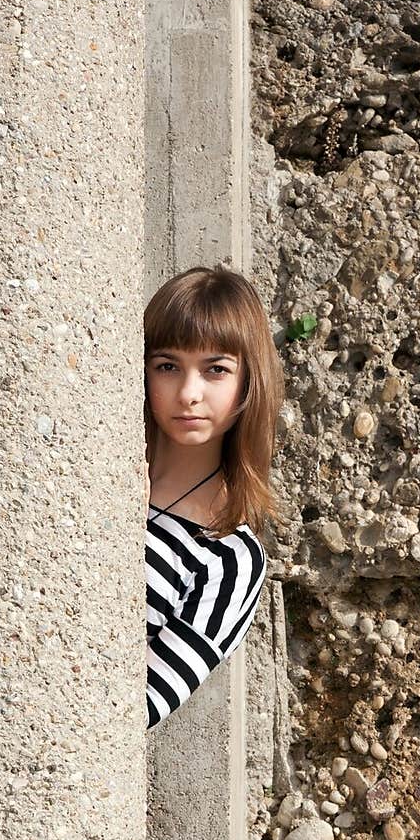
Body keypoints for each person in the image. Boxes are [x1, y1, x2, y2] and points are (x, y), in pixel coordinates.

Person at [143, 265, 285, 730]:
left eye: (215, 370)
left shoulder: (229, 560)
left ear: (248, 382)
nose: (188, 393)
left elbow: (130, 714)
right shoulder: (86, 469)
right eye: (167, 366)